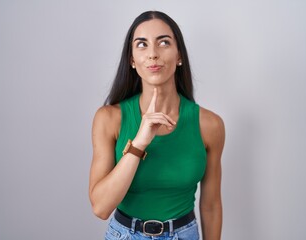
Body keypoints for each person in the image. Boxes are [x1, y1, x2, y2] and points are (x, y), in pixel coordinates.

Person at [89, 10, 225, 240]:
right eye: (142, 44)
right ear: (132, 60)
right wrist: (139, 142)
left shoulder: (209, 125)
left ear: (179, 55)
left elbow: (210, 205)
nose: (152, 54)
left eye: (163, 42)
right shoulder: (109, 119)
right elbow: (101, 208)